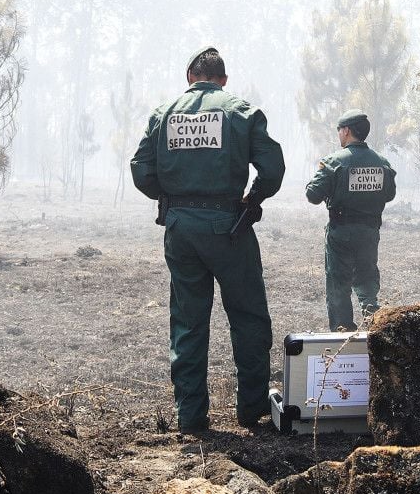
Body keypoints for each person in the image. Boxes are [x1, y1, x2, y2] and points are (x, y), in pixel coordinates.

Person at [131, 47, 285, 432]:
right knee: (248, 317)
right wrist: (254, 199)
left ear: (189, 78)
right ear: (223, 80)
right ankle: (251, 409)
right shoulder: (241, 111)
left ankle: (191, 417)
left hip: (180, 229)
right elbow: (273, 168)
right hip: (229, 228)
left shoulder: (163, 114)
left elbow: (141, 171)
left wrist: (172, 199)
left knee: (187, 322)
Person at [306, 110, 397, 331]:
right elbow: (390, 194)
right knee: (367, 280)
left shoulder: (333, 162)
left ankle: (342, 331)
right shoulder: (382, 163)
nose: (339, 134)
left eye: (339, 130)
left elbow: (312, 195)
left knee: (339, 284)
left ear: (346, 131)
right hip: (369, 231)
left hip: (341, 233)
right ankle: (375, 329)